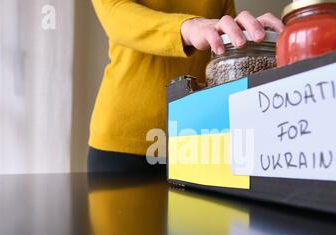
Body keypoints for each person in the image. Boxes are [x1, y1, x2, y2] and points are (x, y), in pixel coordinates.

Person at [88, 0, 284, 173]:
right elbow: (114, 13)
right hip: (125, 142)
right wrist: (188, 27)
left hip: (199, 142)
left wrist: (256, 37)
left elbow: (224, 46)